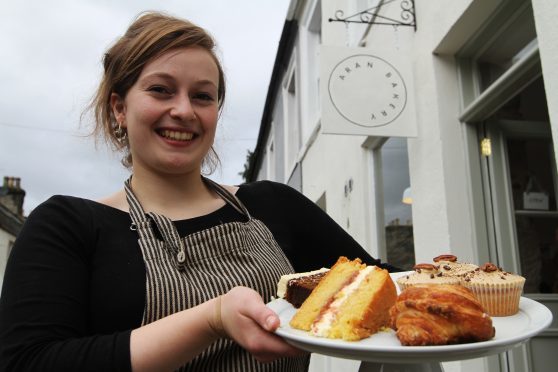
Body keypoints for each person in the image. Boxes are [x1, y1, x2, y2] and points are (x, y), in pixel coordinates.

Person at [0, 11, 400, 372]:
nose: (185, 110)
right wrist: (210, 320)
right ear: (119, 108)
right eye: (161, 90)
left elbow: (389, 289)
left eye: (202, 96)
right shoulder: (68, 226)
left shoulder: (274, 206)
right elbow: (27, 361)